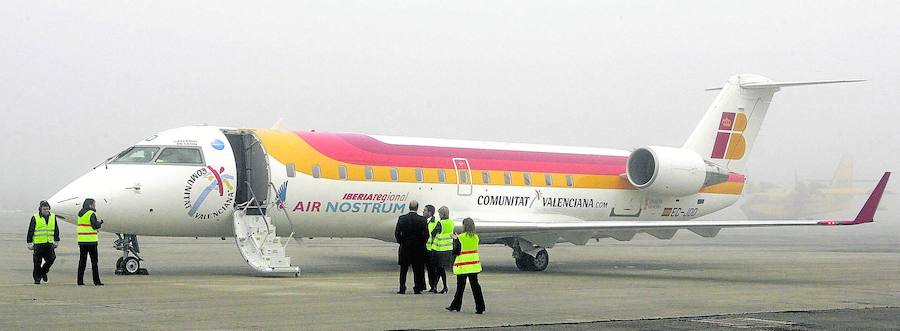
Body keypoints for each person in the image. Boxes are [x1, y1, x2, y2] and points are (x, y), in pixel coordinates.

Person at [446, 218, 485, 314]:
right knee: (476, 287)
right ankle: (480, 307)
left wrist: (455, 240)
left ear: (464, 226)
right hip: (474, 265)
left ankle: (456, 305)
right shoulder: (476, 237)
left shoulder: (461, 237)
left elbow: (456, 251)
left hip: (463, 265)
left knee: (460, 287)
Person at [394, 200, 427, 294]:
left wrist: (401, 242)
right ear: (417, 208)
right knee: (417, 270)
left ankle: (402, 288)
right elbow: (426, 234)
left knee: (403, 270)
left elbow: (397, 233)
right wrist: (421, 244)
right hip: (417, 249)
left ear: (409, 207)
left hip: (405, 248)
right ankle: (417, 288)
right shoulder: (422, 219)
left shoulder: (402, 218)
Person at [26, 200, 59, 284]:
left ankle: (43, 271)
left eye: (47, 209)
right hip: (38, 244)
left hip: (49, 243)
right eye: (44, 209)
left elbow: (56, 229)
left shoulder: (53, 217)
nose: (46, 210)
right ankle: (37, 279)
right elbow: (31, 230)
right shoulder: (35, 217)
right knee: (37, 262)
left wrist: (56, 240)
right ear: (40, 209)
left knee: (51, 259)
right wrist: (29, 242)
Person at [76, 198, 104, 286]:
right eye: (94, 204)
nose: (95, 206)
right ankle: (96, 281)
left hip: (82, 241)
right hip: (91, 241)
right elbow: (94, 226)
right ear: (90, 205)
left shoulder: (80, 214)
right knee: (94, 262)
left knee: (82, 261)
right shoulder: (91, 213)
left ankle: (79, 281)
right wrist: (100, 223)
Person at [430, 206, 454, 294]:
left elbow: (433, 232)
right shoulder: (451, 222)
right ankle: (441, 286)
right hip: (448, 249)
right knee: (441, 269)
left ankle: (439, 286)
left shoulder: (440, 223)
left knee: (439, 269)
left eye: (440, 213)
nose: (439, 215)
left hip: (439, 249)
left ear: (443, 214)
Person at [423, 205, 439, 293]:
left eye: (425, 210)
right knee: (426, 269)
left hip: (432, 249)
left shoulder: (436, 222)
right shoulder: (422, 220)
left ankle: (434, 286)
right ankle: (429, 286)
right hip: (424, 248)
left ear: (430, 212)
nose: (423, 212)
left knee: (432, 270)